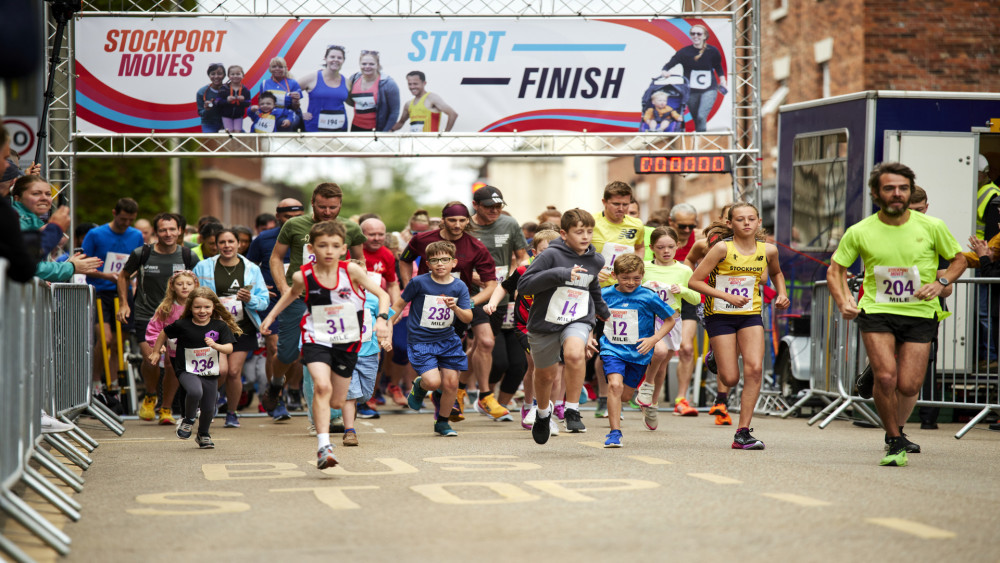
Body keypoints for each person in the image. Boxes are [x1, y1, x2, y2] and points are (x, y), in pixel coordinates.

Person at [827, 163, 965, 466]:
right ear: (877, 193)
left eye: (903, 187)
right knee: (887, 376)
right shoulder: (860, 231)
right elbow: (835, 270)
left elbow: (959, 259)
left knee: (909, 385)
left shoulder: (932, 226)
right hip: (878, 310)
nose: (897, 193)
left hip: (920, 312)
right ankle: (893, 438)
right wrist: (843, 300)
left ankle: (895, 426)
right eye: (889, 188)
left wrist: (941, 282)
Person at [261, 220, 391, 470]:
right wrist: (270, 316)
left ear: (344, 248)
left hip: (347, 341)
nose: (328, 251)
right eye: (322, 246)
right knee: (321, 386)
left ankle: (329, 425)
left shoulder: (352, 271)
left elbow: (383, 295)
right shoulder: (303, 275)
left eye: (334, 246)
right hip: (316, 337)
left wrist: (383, 320)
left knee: (336, 401)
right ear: (311, 248)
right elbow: (290, 294)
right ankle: (324, 447)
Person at [688, 202, 790, 450]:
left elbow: (776, 273)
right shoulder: (721, 248)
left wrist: (781, 293)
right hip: (720, 314)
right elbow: (694, 281)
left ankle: (742, 432)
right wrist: (726, 296)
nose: (746, 223)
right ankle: (716, 357)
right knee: (731, 378)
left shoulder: (769, 251)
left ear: (758, 223)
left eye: (751, 219)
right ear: (730, 224)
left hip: (750, 313)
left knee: (754, 369)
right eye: (740, 219)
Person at [267, 184, 366, 423]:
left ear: (340, 205)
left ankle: (324, 416)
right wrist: (283, 288)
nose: (328, 211)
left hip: (332, 302)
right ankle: (276, 383)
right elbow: (276, 257)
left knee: (324, 354)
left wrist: (354, 276)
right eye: (322, 206)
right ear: (313, 202)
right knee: (288, 353)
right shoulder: (294, 225)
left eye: (333, 207)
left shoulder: (350, 227)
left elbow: (361, 259)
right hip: (299, 296)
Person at [398, 202, 499, 421]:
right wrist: (409, 286)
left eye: (462, 220)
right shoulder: (422, 239)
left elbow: (491, 284)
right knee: (433, 358)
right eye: (452, 220)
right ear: (443, 219)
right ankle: (430, 387)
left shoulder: (475, 246)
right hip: (427, 304)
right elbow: (404, 260)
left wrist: (468, 303)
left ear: (468, 221)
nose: (457, 225)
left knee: (467, 349)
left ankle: (450, 398)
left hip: (462, 301)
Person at [518, 209, 611, 444]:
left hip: (577, 317)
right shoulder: (550, 255)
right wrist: (560, 274)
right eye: (579, 232)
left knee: (574, 354)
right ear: (564, 233)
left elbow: (592, 287)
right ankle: (541, 414)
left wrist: (602, 311)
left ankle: (571, 409)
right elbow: (525, 285)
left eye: (589, 231)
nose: (585, 236)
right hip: (545, 321)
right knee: (545, 375)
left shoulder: (596, 259)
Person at [118, 212, 199, 423]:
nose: (168, 233)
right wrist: (124, 303)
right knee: (151, 359)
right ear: (156, 232)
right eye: (163, 229)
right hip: (147, 315)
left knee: (172, 363)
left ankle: (165, 408)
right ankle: (150, 395)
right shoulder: (142, 253)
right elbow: (124, 275)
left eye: (172, 229)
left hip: (177, 317)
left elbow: (198, 285)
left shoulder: (188, 256)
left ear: (180, 230)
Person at [193, 228, 270, 429]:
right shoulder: (203, 267)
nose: (227, 246)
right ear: (216, 245)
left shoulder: (252, 268)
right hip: (213, 327)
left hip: (241, 327)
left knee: (235, 372)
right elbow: (191, 296)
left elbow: (264, 301)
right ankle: (210, 400)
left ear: (238, 244)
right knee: (221, 371)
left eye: (231, 242)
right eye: (222, 242)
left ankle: (232, 413)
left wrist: (250, 299)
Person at [394, 240, 473, 437]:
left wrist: (455, 308)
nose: (440, 264)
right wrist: (387, 323)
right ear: (427, 264)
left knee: (451, 383)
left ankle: (443, 422)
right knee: (432, 382)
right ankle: (420, 386)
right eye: (435, 260)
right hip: (421, 340)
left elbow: (468, 317)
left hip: (448, 340)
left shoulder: (459, 286)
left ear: (453, 262)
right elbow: (398, 304)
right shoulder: (419, 282)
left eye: (445, 260)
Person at [464, 186, 529, 420]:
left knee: (481, 346)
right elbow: (457, 262)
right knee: (486, 343)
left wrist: (513, 277)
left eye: (499, 206)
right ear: (476, 205)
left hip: (501, 296)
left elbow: (522, 256)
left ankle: (460, 390)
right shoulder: (465, 226)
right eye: (490, 207)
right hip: (474, 294)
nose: (495, 211)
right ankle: (484, 395)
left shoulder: (509, 225)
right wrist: (477, 279)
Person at [599, 254, 677, 447]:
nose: (631, 282)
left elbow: (670, 319)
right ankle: (614, 433)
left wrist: (654, 339)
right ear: (615, 276)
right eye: (625, 278)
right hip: (612, 348)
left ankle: (639, 393)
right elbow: (591, 313)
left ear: (642, 275)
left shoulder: (648, 296)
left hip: (638, 353)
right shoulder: (605, 294)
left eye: (636, 278)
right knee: (614, 386)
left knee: (625, 396)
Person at [148, 287, 239, 450]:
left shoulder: (219, 326)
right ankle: (188, 420)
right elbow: (164, 333)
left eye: (206, 307)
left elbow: (229, 348)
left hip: (210, 372)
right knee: (195, 391)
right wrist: (156, 352)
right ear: (190, 307)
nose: (202, 311)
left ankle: (203, 434)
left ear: (213, 307)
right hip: (186, 369)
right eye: (197, 307)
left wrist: (215, 345)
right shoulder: (183, 325)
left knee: (209, 408)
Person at [636, 226, 701, 429]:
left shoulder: (684, 270)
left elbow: (697, 297)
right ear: (651, 247)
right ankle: (646, 386)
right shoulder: (644, 267)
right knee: (659, 352)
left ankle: (652, 404)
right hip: (649, 320)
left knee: (662, 363)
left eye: (670, 247)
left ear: (677, 246)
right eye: (661, 247)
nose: (666, 251)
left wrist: (681, 289)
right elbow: (631, 290)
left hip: (672, 320)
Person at [591, 181, 645, 420]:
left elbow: (640, 247)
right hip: (599, 292)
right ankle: (604, 398)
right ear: (604, 202)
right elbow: (581, 252)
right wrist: (594, 271)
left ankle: (614, 397)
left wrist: (637, 269)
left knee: (619, 345)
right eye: (616, 204)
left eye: (625, 204)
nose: (621, 209)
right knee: (604, 348)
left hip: (626, 293)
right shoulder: (592, 224)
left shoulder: (636, 224)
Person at [246, 199, 304, 417]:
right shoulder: (264, 239)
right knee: (275, 348)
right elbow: (249, 267)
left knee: (298, 352)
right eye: (288, 218)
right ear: (278, 217)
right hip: (273, 301)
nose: (292, 222)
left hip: (302, 299)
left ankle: (293, 390)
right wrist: (259, 288)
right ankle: (276, 397)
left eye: (298, 217)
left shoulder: (311, 236)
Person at [82, 198, 143, 400]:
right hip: (101, 291)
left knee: (119, 343)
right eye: (123, 219)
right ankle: (96, 381)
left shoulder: (136, 235)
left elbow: (139, 263)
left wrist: (130, 278)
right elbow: (83, 263)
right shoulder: (95, 234)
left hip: (124, 292)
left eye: (130, 220)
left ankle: (114, 384)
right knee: (105, 339)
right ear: (114, 213)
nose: (126, 224)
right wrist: (106, 275)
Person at [341, 281, 394, 445]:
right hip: (346, 353)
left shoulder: (373, 299)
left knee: (364, 395)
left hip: (369, 354)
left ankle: (355, 406)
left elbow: (388, 321)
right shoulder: (338, 298)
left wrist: (387, 340)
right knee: (350, 394)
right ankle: (349, 431)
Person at [144, 270, 199, 424]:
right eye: (180, 284)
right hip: (173, 350)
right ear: (172, 286)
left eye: (189, 284)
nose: (185, 287)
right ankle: (166, 408)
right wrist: (158, 345)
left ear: (196, 286)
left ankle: (199, 408)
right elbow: (154, 328)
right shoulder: (166, 307)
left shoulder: (200, 305)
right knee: (171, 369)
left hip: (198, 350)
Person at [660, 23, 727, 132]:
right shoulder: (684, 52)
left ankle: (702, 140)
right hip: (691, 90)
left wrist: (723, 81)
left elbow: (718, 67)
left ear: (704, 36)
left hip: (709, 89)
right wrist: (665, 71)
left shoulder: (712, 51)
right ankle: (698, 141)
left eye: (699, 34)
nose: (695, 36)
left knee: (701, 116)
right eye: (693, 34)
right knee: (696, 119)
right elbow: (671, 63)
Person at [975, 155, 1000, 370]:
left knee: (986, 312)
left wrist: (983, 257)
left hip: (986, 260)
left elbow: (993, 236)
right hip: (981, 258)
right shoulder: (985, 193)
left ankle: (991, 356)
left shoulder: (992, 196)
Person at [346, 50, 400, 132]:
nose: (367, 66)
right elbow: (350, 101)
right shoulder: (353, 79)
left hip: (377, 130)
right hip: (356, 128)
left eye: (371, 64)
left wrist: (384, 133)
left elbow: (394, 112)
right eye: (364, 64)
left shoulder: (388, 83)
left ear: (377, 65)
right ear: (360, 64)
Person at [300, 45, 350, 132]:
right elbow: (288, 91)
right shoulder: (313, 77)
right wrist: (298, 113)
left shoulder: (347, 82)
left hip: (340, 131)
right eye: (332, 57)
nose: (336, 60)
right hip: (314, 130)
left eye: (339, 58)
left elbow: (354, 102)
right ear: (325, 59)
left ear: (343, 61)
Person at [391, 71, 458, 132]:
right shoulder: (408, 104)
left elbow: (453, 114)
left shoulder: (431, 98)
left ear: (424, 83)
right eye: (410, 84)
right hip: (414, 141)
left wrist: (445, 134)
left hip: (430, 142)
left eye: (415, 84)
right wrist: (389, 130)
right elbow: (401, 123)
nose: (412, 87)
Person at [260, 56, 303, 125]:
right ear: (270, 69)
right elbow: (261, 103)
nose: (277, 69)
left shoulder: (293, 83)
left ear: (285, 69)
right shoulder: (264, 83)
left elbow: (296, 107)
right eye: (274, 66)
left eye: (280, 67)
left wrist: (295, 101)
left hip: (288, 114)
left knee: (281, 122)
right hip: (268, 114)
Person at [216, 65, 250, 133]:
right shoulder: (224, 89)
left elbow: (248, 103)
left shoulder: (245, 90)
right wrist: (227, 101)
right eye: (232, 74)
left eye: (238, 74)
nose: (235, 76)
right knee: (229, 132)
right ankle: (230, 144)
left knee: (238, 132)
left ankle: (236, 144)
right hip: (226, 116)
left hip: (238, 116)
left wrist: (242, 101)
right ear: (228, 76)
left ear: (242, 75)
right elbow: (217, 102)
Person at [196, 63, 226, 133]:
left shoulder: (229, 90)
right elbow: (200, 112)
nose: (216, 76)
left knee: (241, 137)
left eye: (219, 74)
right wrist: (207, 110)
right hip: (209, 124)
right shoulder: (201, 92)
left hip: (227, 123)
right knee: (210, 141)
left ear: (224, 75)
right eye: (212, 74)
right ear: (209, 75)